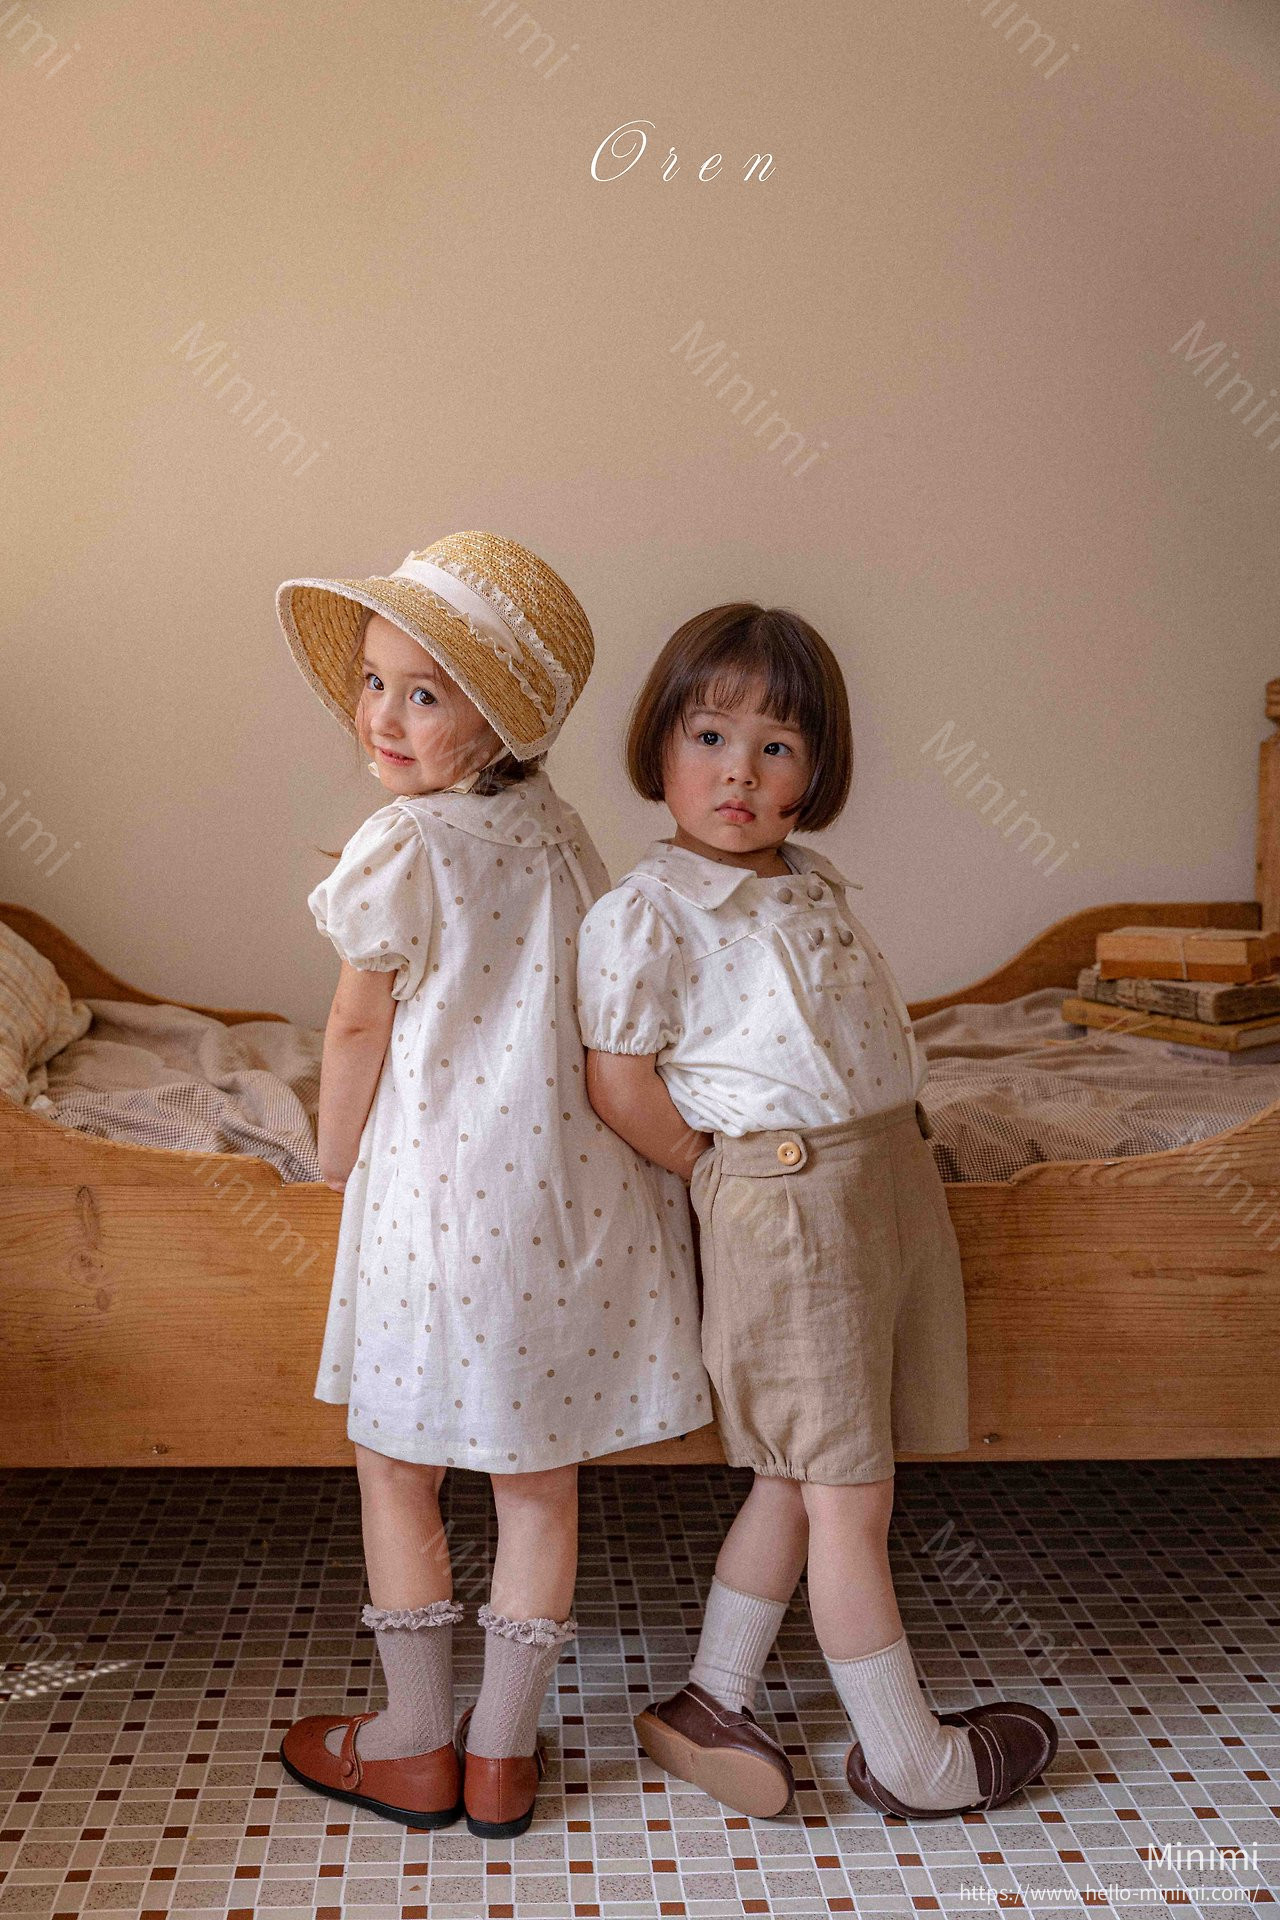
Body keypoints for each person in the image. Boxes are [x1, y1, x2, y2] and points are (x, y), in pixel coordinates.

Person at [576, 602, 1058, 1822]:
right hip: (787, 1199)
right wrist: (717, 1173)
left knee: (799, 1475)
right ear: (658, 745)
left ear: (813, 772)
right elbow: (618, 1081)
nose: (738, 771)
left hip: (881, 1184)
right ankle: (909, 1759)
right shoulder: (648, 910)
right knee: (851, 1494)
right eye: (708, 736)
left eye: (776, 746)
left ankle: (710, 1697)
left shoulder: (809, 883)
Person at [273, 531, 710, 1837]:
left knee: (396, 1464)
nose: (382, 715)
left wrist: (329, 1157)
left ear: (497, 722)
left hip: (437, 1203)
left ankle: (414, 1741)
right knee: (537, 1481)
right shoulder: (558, 830)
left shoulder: (403, 842)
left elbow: (356, 1024)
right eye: (373, 682)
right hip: (560, 1203)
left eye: (423, 693)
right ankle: (502, 1758)